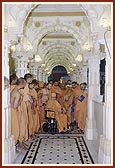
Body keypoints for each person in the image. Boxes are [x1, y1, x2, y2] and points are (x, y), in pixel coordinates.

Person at [10, 77, 26, 150]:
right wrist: (21, 99)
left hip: (12, 112)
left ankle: (18, 144)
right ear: (22, 84)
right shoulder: (17, 93)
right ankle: (13, 147)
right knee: (16, 129)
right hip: (14, 112)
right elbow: (15, 106)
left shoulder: (14, 90)